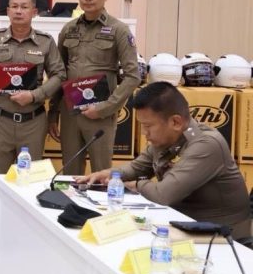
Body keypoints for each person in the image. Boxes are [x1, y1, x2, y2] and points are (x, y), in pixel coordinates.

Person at [76, 81, 251, 239]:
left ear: (175, 122)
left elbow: (162, 195)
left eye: (148, 126)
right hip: (186, 227)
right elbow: (137, 167)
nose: (144, 133)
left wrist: (132, 185)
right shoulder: (169, 137)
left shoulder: (207, 145)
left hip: (224, 238)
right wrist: (108, 175)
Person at [49, 0, 140, 175]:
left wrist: (105, 108)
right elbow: (59, 74)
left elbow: (133, 76)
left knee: (101, 173)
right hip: (71, 112)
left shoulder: (119, 30)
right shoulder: (68, 29)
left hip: (100, 113)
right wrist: (53, 114)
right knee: (71, 173)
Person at [0, 0, 65, 172]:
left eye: (24, 7)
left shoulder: (45, 41)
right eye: (14, 6)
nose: (18, 11)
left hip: (32, 122)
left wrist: (35, 95)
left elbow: (59, 75)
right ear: (8, 11)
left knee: (29, 179)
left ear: (34, 12)